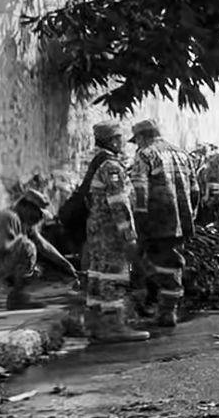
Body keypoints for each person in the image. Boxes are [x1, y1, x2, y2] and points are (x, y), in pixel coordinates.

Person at [80, 121, 149, 344]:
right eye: (120, 138)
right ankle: (113, 324)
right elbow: (118, 203)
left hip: (97, 228)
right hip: (110, 230)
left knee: (97, 273)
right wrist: (129, 234)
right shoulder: (112, 166)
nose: (123, 143)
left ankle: (94, 322)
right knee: (113, 274)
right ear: (113, 140)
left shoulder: (95, 162)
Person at [128, 119, 199, 328]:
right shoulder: (182, 153)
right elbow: (195, 190)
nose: (137, 144)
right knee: (173, 262)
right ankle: (168, 307)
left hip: (157, 219)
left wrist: (139, 222)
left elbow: (140, 191)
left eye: (137, 140)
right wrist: (190, 216)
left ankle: (165, 311)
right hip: (180, 220)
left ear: (142, 137)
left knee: (155, 263)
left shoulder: (145, 154)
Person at [0, 188, 73, 309]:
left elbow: (43, 245)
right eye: (37, 213)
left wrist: (66, 265)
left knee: (30, 259)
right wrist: (18, 243)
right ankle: (17, 298)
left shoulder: (22, 221)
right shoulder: (9, 218)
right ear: (25, 207)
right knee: (27, 247)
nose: (39, 218)